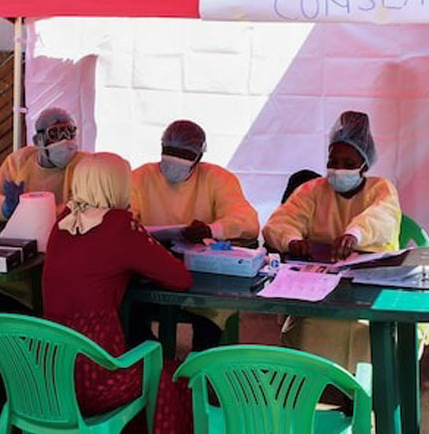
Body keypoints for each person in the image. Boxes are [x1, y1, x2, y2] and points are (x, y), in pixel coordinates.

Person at [43, 153, 194, 434]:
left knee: (143, 360)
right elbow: (179, 278)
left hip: (50, 374)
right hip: (94, 377)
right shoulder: (119, 226)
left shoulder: (63, 222)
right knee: (171, 375)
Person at [263, 111, 401, 372]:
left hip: (369, 289)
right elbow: (280, 222)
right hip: (320, 289)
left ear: (365, 164)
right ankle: (313, 389)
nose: (339, 169)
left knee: (365, 333)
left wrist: (354, 234)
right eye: (333, 161)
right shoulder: (313, 189)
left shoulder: (380, 188)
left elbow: (381, 217)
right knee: (310, 328)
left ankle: (361, 394)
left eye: (349, 163)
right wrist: (292, 240)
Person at [130, 119, 260, 349]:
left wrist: (212, 230)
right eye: (170, 154)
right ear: (161, 149)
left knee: (212, 311)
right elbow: (125, 220)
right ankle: (150, 362)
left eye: (184, 157)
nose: (175, 164)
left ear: (199, 158)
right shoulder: (139, 178)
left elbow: (248, 221)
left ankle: (200, 363)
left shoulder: (218, 178)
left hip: (201, 270)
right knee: (129, 307)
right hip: (148, 268)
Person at [0, 107, 86, 222]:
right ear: (38, 141)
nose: (65, 140)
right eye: (54, 134)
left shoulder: (85, 165)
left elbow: (85, 210)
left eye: (70, 132)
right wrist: (4, 208)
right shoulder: (19, 161)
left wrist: (32, 211)